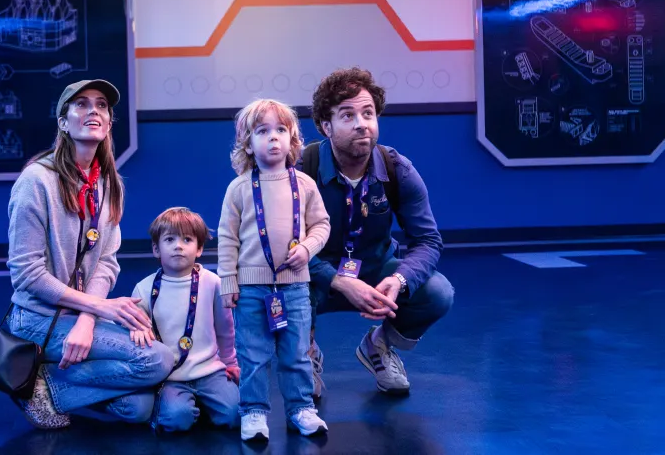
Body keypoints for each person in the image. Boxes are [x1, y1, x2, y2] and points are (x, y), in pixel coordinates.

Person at [6, 79, 172, 429]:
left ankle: (51, 383)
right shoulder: (36, 181)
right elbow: (27, 274)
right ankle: (42, 388)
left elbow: (107, 262)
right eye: (80, 104)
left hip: (77, 315)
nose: (93, 110)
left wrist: (86, 319)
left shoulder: (107, 182)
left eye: (101, 105)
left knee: (137, 408)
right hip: (37, 319)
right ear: (63, 122)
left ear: (109, 122)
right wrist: (98, 307)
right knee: (156, 360)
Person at [299, 67, 455, 398]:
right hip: (314, 275)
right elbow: (284, 246)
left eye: (368, 113)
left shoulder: (397, 168)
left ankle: (379, 345)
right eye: (347, 115)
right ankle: (305, 354)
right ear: (326, 126)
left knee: (438, 292)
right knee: (280, 293)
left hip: (375, 271)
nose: (361, 123)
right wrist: (337, 280)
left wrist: (399, 280)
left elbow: (428, 240)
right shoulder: (302, 169)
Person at [217, 98, 332, 441]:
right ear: (248, 143)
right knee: (252, 354)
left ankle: (301, 408)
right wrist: (229, 282)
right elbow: (227, 238)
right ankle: (253, 411)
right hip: (252, 290)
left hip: (295, 287)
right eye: (262, 131)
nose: (273, 138)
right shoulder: (238, 188)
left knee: (297, 352)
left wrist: (308, 249)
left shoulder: (305, 185)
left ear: (293, 139)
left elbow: (321, 226)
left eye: (281, 130)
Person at [129, 207, 240, 433]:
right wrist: (136, 328)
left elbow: (225, 328)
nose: (178, 246)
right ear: (155, 249)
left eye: (187, 239)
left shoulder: (213, 283)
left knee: (236, 415)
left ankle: (203, 403)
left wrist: (230, 363)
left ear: (199, 249)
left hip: (210, 371)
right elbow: (135, 331)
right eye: (169, 239)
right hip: (171, 378)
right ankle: (181, 406)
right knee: (176, 420)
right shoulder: (144, 288)